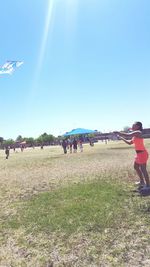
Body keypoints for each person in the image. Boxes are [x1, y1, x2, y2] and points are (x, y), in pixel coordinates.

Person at [115, 122, 150, 192]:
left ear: (138, 126)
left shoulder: (138, 132)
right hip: (139, 154)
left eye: (134, 125)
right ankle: (142, 182)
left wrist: (118, 132)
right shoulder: (134, 135)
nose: (132, 126)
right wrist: (121, 138)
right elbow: (129, 143)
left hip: (142, 153)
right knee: (136, 167)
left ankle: (148, 186)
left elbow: (128, 135)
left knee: (143, 169)